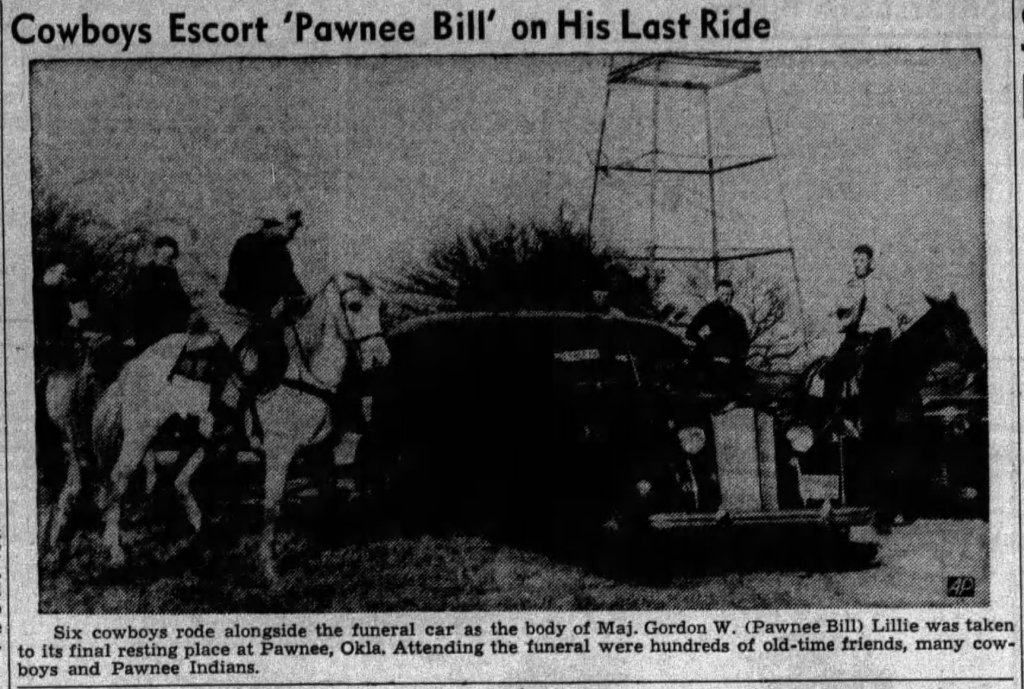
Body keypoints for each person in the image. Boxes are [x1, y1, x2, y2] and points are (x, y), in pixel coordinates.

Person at [212, 209, 310, 449]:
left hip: (262, 317)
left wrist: (303, 299)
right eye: (290, 227)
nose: (293, 234)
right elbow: (242, 284)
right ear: (271, 224)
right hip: (237, 315)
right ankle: (227, 420)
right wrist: (269, 306)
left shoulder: (281, 251)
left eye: (295, 229)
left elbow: (291, 283)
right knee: (248, 361)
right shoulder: (248, 244)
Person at [686, 279, 750, 399]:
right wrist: (704, 345)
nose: (726, 298)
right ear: (717, 294)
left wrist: (739, 357)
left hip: (731, 360)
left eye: (729, 295)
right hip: (710, 358)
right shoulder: (708, 311)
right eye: (723, 294)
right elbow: (690, 331)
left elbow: (745, 340)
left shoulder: (737, 317)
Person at [126, 235, 192, 351]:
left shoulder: (171, 273)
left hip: (170, 329)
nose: (167, 261)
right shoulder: (146, 274)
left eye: (170, 258)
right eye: (164, 257)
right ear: (156, 253)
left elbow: (181, 299)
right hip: (151, 331)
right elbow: (140, 305)